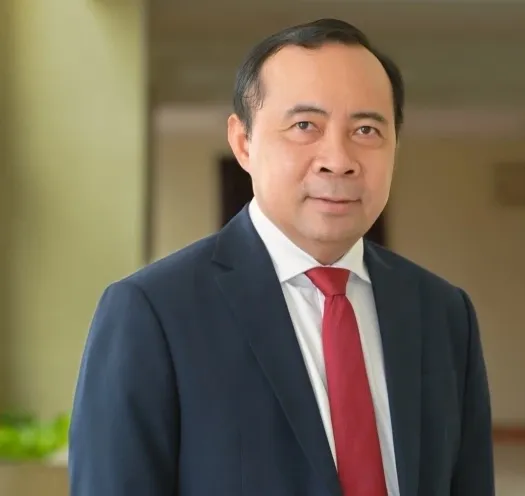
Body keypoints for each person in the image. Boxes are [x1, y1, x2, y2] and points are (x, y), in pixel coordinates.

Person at [68, 18, 495, 496]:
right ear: (243, 142)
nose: (338, 159)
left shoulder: (442, 313)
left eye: (367, 129)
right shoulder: (153, 312)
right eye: (305, 126)